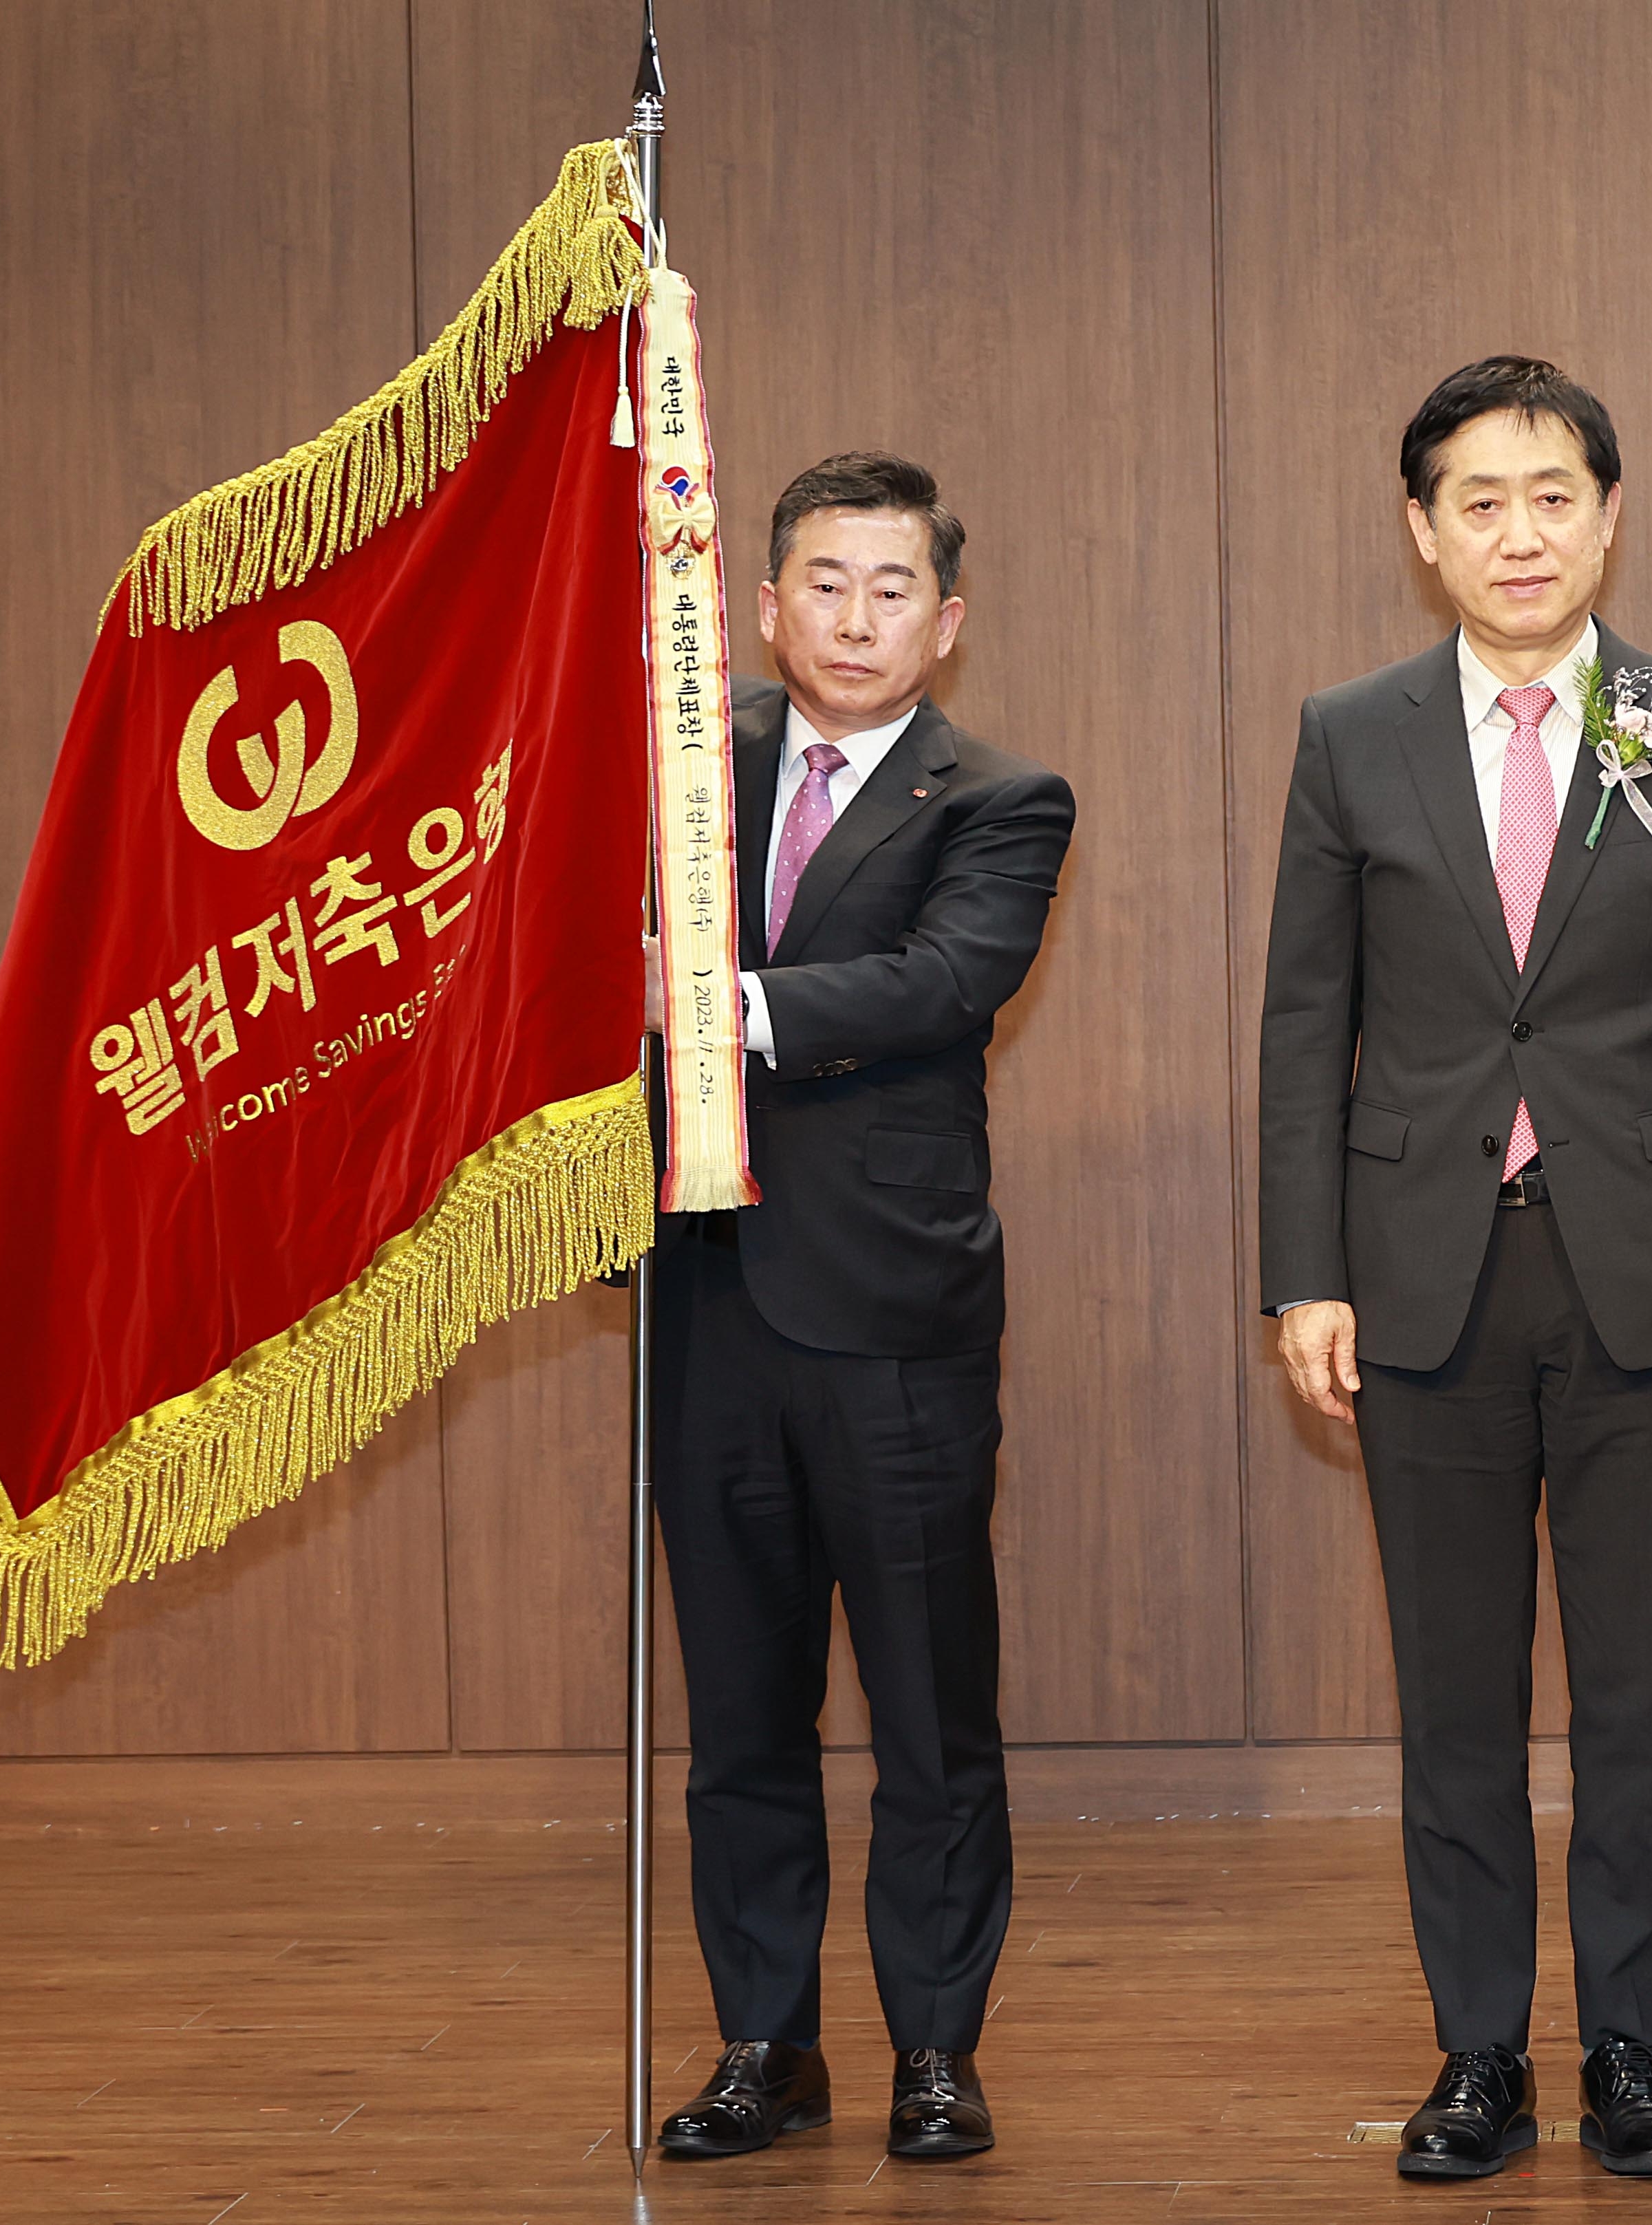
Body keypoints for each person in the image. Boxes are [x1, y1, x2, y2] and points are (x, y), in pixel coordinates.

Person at [1256, 356, 1652, 2181]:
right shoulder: (1349, 733)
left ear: (1608, 515)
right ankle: (1479, 2046)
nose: (1518, 531)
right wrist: (1302, 1272)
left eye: (1552, 493)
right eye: (1477, 500)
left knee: (1641, 1682)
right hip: (1419, 1273)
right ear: (1421, 532)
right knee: (1456, 1686)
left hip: (1647, 1272)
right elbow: (1301, 1024)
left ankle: (1632, 2046)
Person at [636, 451, 1073, 2165]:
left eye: (894, 589)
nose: (856, 618)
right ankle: (764, 2041)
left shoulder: (1000, 796)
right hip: (706, 1300)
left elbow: (942, 982)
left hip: (894, 1320)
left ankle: (937, 2054)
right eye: (824, 582)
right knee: (741, 1711)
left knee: (926, 1710)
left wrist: (711, 1004)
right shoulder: (684, 766)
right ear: (762, 601)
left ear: (947, 622)